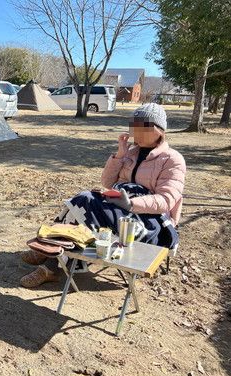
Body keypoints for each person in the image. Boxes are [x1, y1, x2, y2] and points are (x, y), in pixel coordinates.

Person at [20, 103, 186, 288]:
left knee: (85, 204)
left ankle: (51, 258)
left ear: (157, 130)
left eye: (141, 127)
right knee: (84, 202)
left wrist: (131, 203)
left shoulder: (173, 159)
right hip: (120, 208)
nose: (135, 131)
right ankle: (52, 253)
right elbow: (107, 182)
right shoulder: (131, 152)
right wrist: (120, 155)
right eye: (134, 126)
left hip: (150, 222)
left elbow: (166, 200)